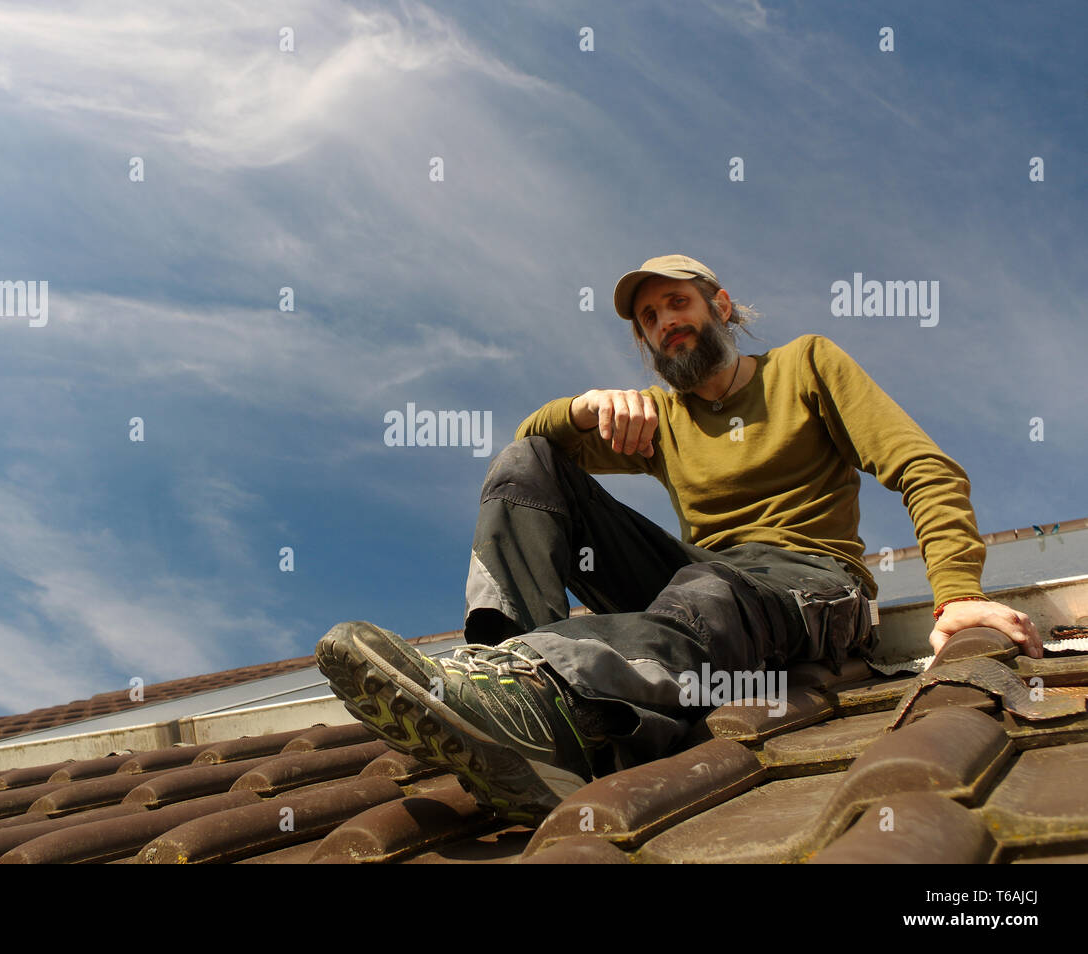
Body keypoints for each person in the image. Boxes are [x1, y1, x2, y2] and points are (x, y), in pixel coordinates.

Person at [316, 253, 1042, 825]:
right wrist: (584, 407)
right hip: (703, 581)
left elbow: (924, 466)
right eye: (650, 318)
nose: (666, 321)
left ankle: (557, 693)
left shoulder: (806, 365)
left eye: (678, 302)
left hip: (812, 585)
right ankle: (512, 691)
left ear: (719, 306)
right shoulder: (661, 418)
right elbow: (528, 446)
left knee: (711, 586)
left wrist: (959, 595)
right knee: (527, 468)